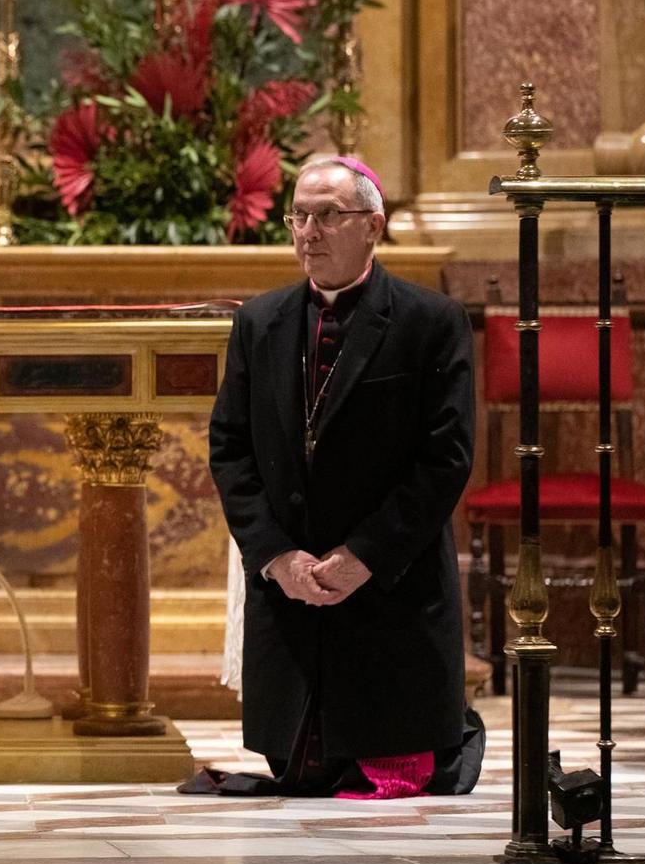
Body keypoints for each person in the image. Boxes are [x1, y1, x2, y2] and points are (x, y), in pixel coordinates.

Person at [202, 156, 482, 799]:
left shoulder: (430, 323)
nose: (309, 231)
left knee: (390, 756)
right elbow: (230, 447)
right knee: (302, 770)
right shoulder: (259, 323)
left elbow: (447, 457)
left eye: (328, 215)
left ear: (373, 226)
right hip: (295, 582)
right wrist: (275, 556)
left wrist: (365, 556)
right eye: (299, 216)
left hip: (391, 581)